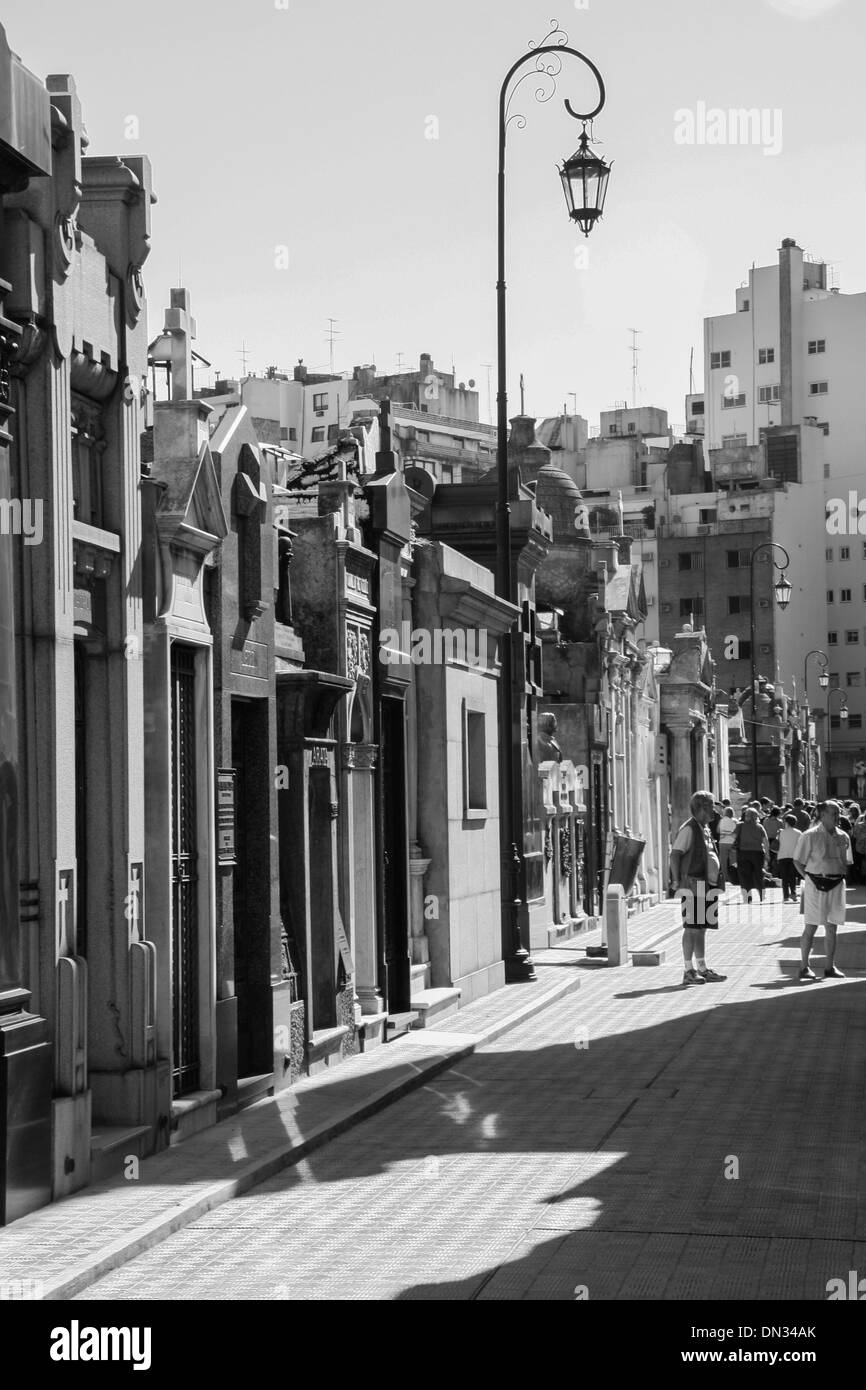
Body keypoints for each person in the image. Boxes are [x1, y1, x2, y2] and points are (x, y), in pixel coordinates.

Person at [669, 790, 728, 987]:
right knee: (692, 928)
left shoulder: (706, 828)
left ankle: (702, 968)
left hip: (707, 885)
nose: (715, 809)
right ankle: (688, 970)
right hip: (694, 885)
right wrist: (676, 880)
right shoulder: (689, 828)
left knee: (702, 928)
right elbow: (675, 854)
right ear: (702, 807)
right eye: (712, 805)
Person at [793, 800, 853, 981]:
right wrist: (808, 878)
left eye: (838, 813)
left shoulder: (843, 836)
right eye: (834, 813)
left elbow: (847, 863)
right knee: (811, 926)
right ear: (822, 815)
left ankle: (829, 967)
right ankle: (804, 967)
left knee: (832, 927)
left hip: (836, 883)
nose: (837, 816)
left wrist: (841, 860)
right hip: (815, 883)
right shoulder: (809, 835)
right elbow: (797, 860)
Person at [732, 806, 769, 905]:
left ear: (746, 815)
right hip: (758, 853)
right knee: (758, 874)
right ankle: (762, 894)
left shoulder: (740, 825)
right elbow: (765, 841)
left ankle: (747, 897)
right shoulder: (760, 827)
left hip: (743, 852)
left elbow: (733, 837)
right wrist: (767, 854)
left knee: (744, 875)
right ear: (756, 816)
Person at [776, 814, 801, 903]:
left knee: (784, 877)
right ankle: (793, 894)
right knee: (792, 876)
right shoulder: (798, 833)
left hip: (782, 856)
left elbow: (778, 842)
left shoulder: (781, 832)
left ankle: (785, 896)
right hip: (794, 857)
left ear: (786, 822)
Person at [717, 805, 738, 881]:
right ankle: (733, 876)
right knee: (733, 861)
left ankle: (725, 877)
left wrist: (724, 832)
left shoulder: (721, 820)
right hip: (732, 843)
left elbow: (718, 831)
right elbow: (738, 832)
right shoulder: (735, 821)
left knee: (723, 861)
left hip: (723, 842)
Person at [763, 805, 783, 873]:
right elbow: (781, 831)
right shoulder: (779, 822)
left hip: (767, 840)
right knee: (776, 858)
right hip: (776, 841)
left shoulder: (766, 820)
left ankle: (768, 871)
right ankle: (775, 872)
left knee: (769, 857)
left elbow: (764, 830)